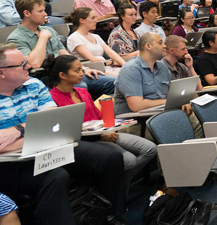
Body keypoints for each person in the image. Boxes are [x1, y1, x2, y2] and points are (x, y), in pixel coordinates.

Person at [0, 44, 126, 225]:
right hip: (12, 164)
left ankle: (113, 216)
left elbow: (52, 119)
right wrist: (35, 130)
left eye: (26, 62)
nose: (29, 66)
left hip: (49, 146)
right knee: (57, 176)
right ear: (2, 72)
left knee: (110, 156)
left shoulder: (33, 85)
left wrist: (16, 131)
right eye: (22, 64)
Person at [49, 55, 156, 191]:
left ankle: (112, 187)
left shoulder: (82, 92)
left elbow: (98, 115)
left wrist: (110, 129)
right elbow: (67, 131)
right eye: (77, 71)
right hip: (86, 142)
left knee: (150, 149)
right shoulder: (52, 99)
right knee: (129, 160)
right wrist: (100, 136)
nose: (82, 73)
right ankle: (117, 194)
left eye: (81, 69)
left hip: (104, 133)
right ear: (62, 75)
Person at [113, 33, 203, 139]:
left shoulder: (162, 67)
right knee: (173, 130)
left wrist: (182, 102)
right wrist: (169, 102)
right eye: (160, 43)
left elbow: (171, 94)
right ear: (148, 46)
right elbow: (136, 105)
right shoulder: (131, 69)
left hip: (159, 114)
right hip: (135, 122)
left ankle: (193, 153)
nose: (164, 46)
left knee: (194, 120)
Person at [65, 7, 126, 76]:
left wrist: (125, 65)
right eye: (93, 18)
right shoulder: (74, 37)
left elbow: (111, 53)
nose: (96, 20)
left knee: (132, 73)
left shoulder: (96, 36)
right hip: (93, 69)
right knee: (125, 77)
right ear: (82, 20)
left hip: (106, 66)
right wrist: (111, 62)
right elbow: (92, 59)